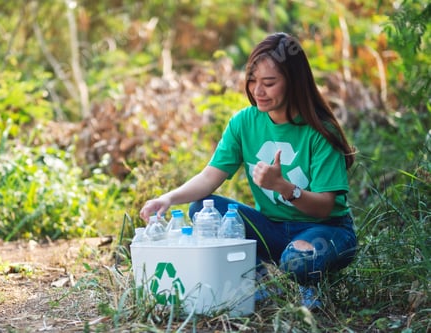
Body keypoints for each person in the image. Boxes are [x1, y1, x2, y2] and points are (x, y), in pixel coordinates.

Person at [139, 32, 358, 309]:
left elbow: (325, 208)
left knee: (298, 260)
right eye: (253, 81)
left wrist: (283, 187)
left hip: (326, 229)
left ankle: (309, 286)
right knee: (203, 209)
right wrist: (168, 199)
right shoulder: (244, 122)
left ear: (294, 83)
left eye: (269, 83)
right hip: (274, 228)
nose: (258, 91)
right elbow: (209, 177)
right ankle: (260, 282)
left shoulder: (319, 131)